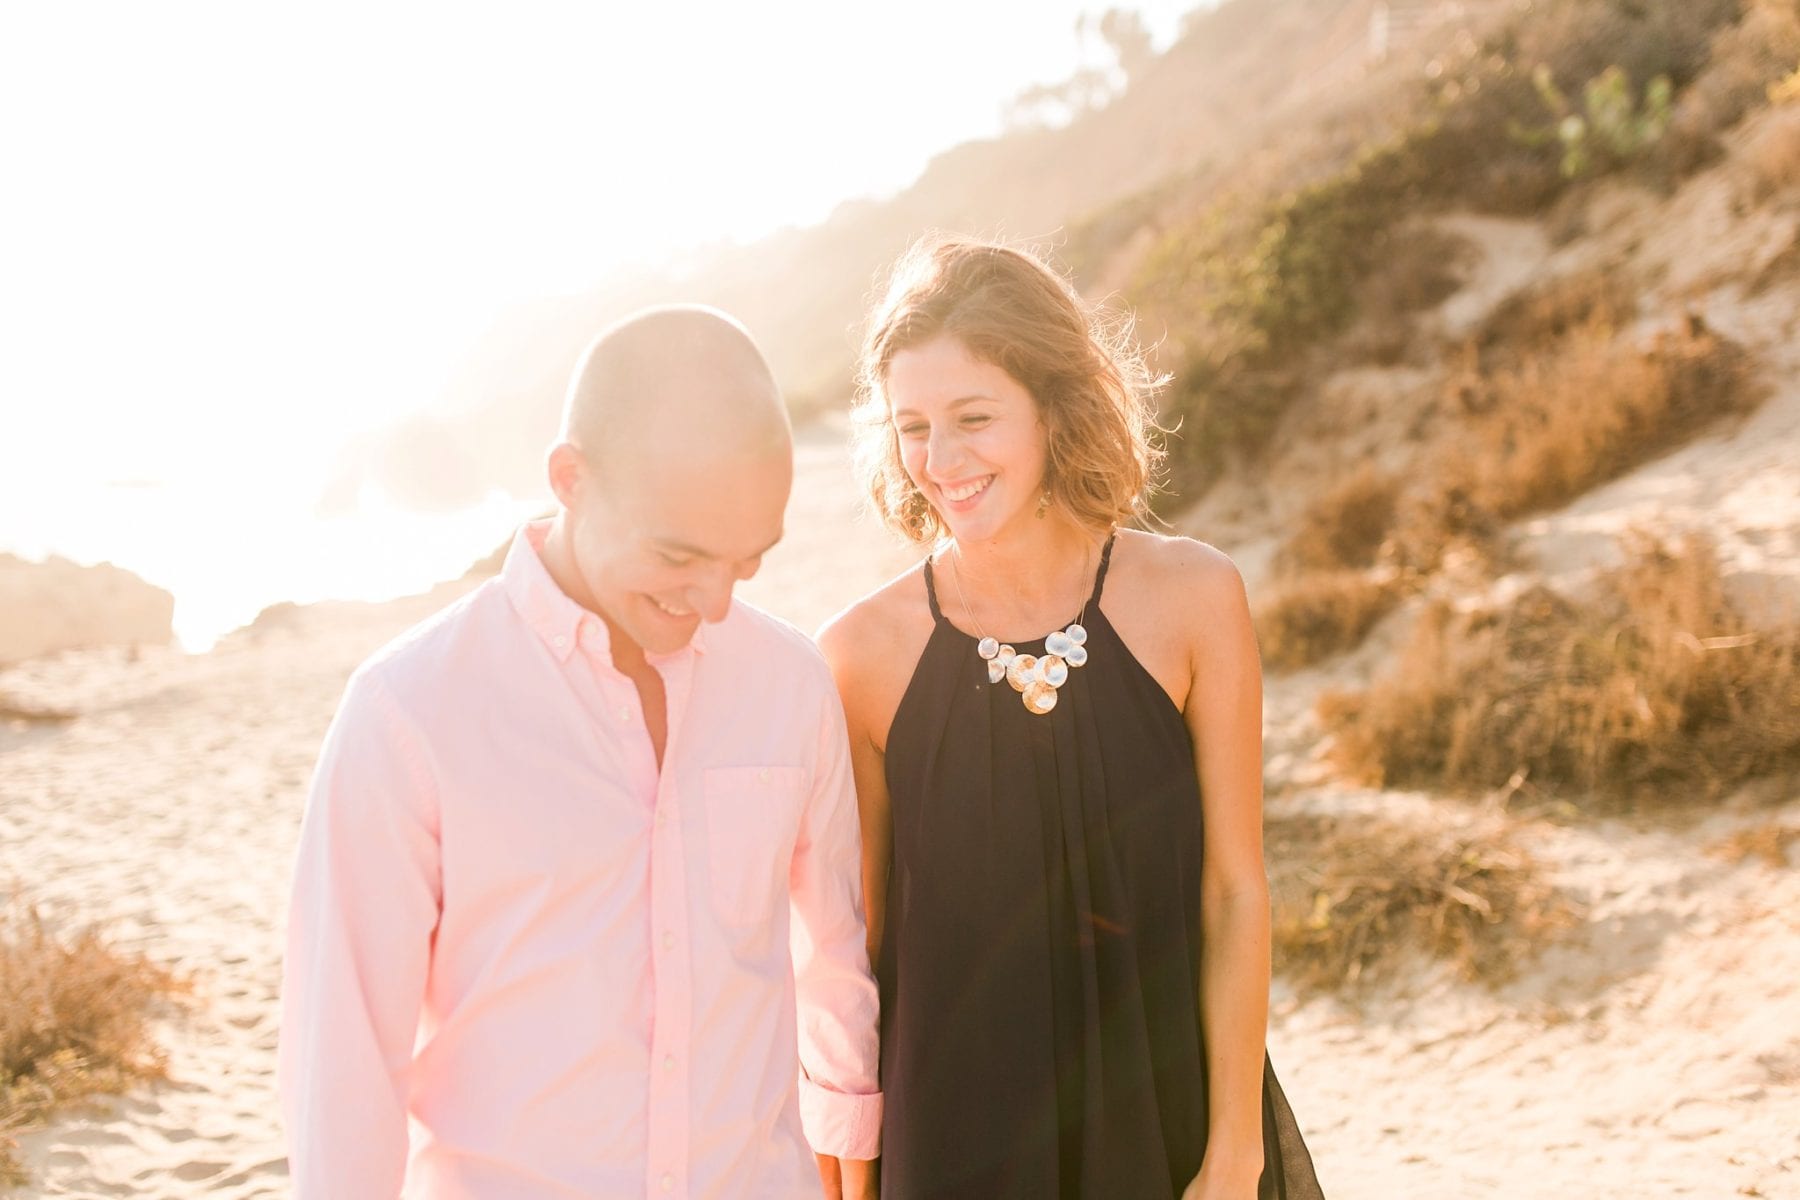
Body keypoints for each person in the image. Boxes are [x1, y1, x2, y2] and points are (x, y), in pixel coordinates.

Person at [280, 306, 881, 1199]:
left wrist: (852, 1156)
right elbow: (346, 1061)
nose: (715, 602)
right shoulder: (408, 713)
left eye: (747, 561)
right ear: (571, 479)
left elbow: (833, 951)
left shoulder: (791, 684)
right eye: (679, 555)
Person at [818, 238, 1325, 1200]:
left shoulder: (1193, 598)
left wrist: (1233, 1153)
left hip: (1167, 1116)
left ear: (1055, 406)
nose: (943, 460)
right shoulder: (857, 658)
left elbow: (1234, 892)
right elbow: (858, 956)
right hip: (956, 1141)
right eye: (913, 426)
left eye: (975, 417)